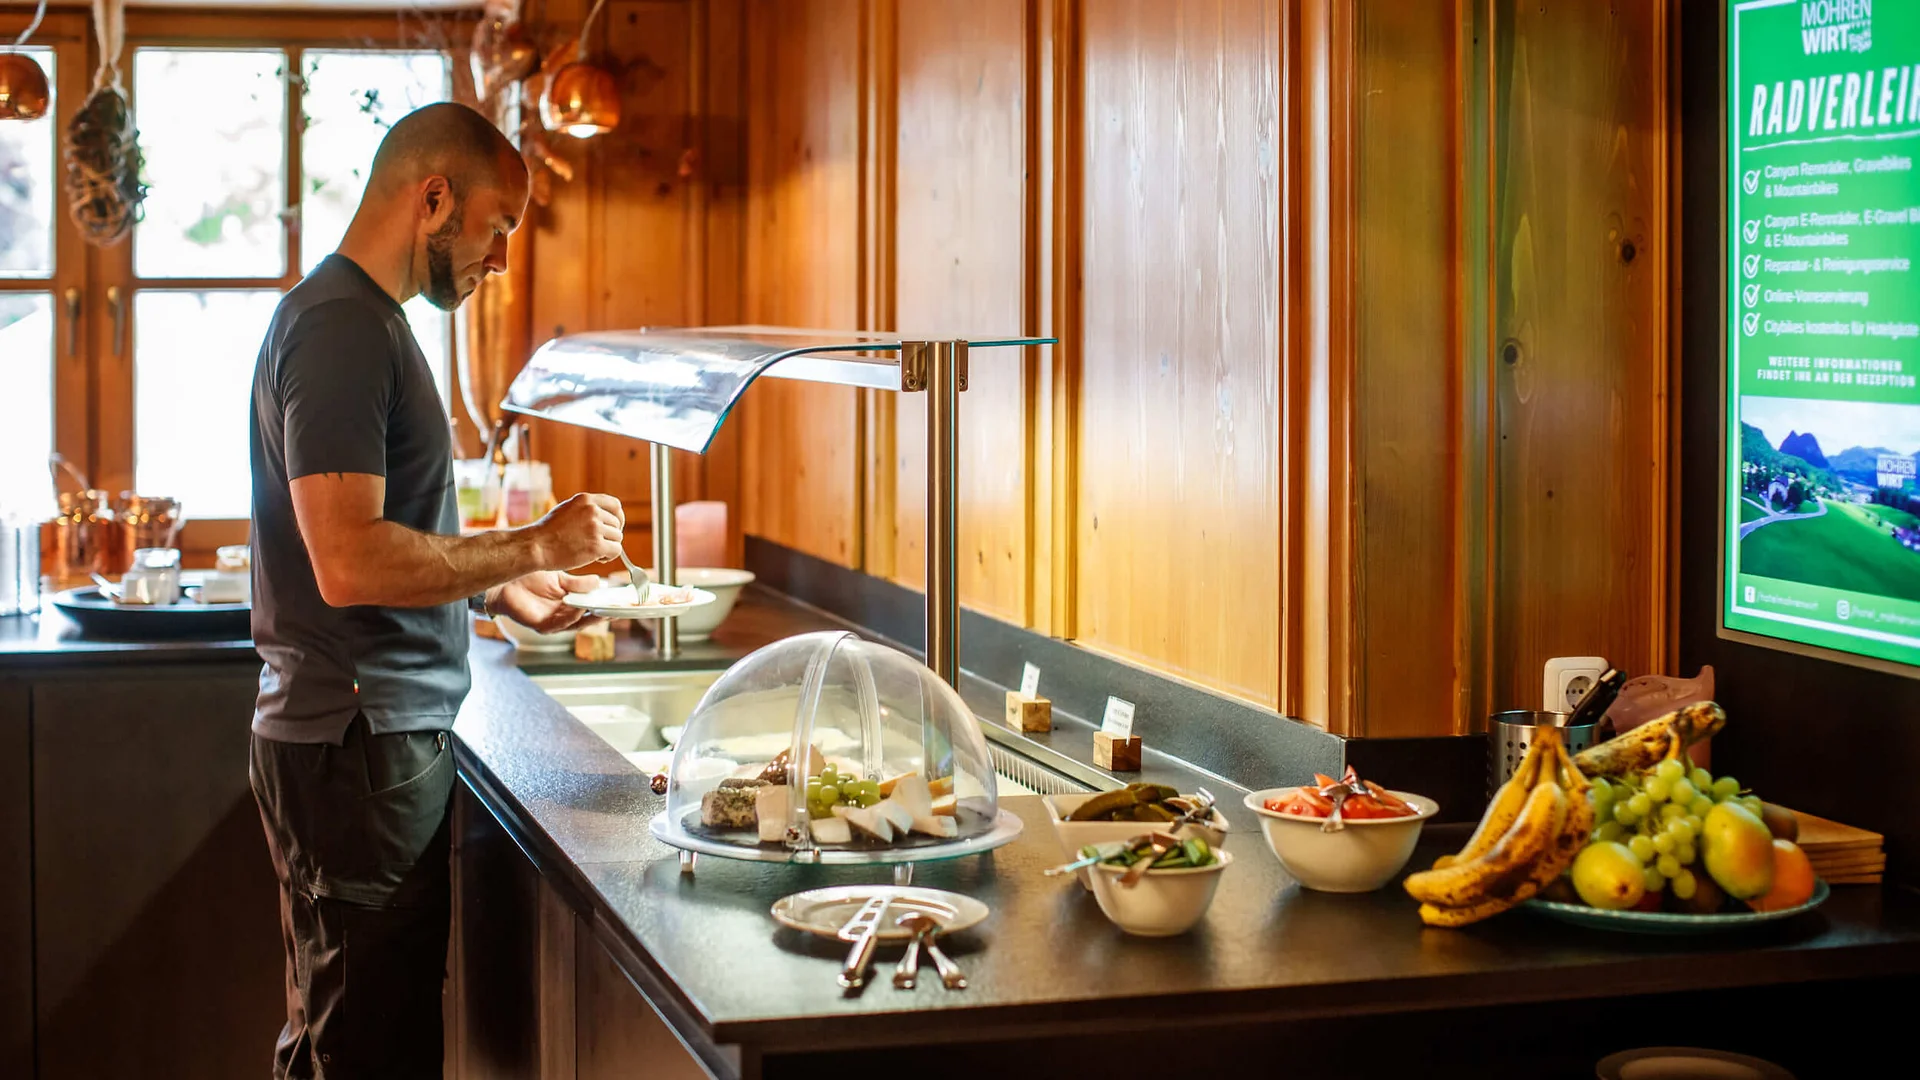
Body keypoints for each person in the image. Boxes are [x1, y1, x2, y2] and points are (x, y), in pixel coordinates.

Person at [247, 102, 622, 1078]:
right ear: (435, 197)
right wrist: (530, 539)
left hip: (358, 744)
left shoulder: (361, 322)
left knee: (344, 1036)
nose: (500, 258)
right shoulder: (343, 330)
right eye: (498, 226)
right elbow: (349, 561)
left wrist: (497, 591)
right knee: (370, 1054)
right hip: (361, 749)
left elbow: (380, 548)